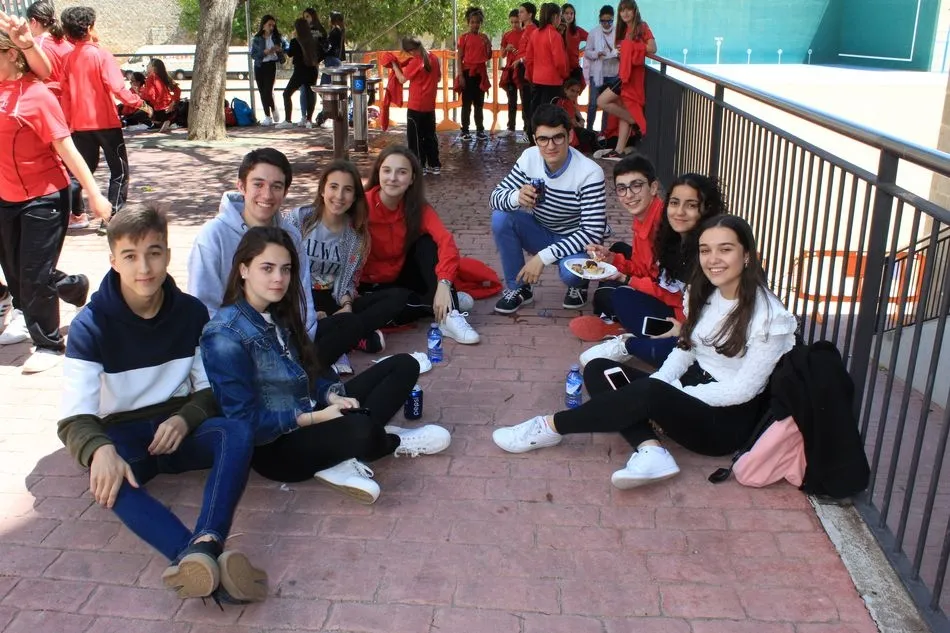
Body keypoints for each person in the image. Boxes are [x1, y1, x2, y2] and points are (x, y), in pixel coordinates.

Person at [493, 215, 798, 490]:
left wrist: (671, 393)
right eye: (706, 250)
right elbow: (685, 347)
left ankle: (551, 426)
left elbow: (743, 390)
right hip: (688, 390)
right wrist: (664, 382)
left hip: (722, 422)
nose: (713, 259)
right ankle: (651, 450)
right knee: (599, 369)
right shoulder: (704, 292)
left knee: (649, 392)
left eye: (725, 249)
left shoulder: (770, 316)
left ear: (747, 255)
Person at [57, 205, 266, 603]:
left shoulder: (190, 312)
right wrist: (99, 449)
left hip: (177, 430)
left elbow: (210, 388)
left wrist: (186, 419)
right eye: (130, 256)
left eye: (154, 253)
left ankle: (207, 541)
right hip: (123, 434)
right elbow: (74, 417)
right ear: (113, 261)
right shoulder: (90, 326)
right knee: (109, 480)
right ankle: (194, 558)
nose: (144, 267)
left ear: (168, 255)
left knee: (237, 431)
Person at [201, 227, 452, 505]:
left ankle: (341, 455)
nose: (278, 278)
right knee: (362, 429)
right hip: (276, 447)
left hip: (311, 409)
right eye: (267, 268)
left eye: (286, 269)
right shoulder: (223, 336)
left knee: (404, 365)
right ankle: (388, 442)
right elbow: (244, 424)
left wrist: (330, 396)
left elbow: (306, 371)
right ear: (244, 269)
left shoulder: (277, 311)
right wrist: (315, 418)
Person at [0, 26, 112, 372]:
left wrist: (94, 194)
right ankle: (75, 288)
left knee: (33, 274)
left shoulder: (37, 95)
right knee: (17, 273)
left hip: (44, 197)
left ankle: (48, 343)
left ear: (12, 55)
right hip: (5, 196)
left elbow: (67, 149)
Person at [578, 172, 726, 368]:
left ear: (706, 209)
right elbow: (665, 289)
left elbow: (716, 318)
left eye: (691, 205)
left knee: (676, 353)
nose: (679, 212)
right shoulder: (672, 239)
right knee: (621, 297)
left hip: (702, 334)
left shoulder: (712, 252)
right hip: (676, 316)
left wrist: (683, 330)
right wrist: (621, 271)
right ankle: (642, 338)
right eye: (674, 203)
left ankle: (629, 343)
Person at [489, 103, 607, 314]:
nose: (550, 146)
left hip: (577, 239)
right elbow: (494, 198)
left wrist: (542, 258)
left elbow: (592, 232)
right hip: (542, 231)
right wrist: (516, 196)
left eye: (558, 137)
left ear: (570, 136)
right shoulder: (529, 157)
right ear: (535, 139)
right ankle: (519, 288)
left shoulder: (590, 172)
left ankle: (579, 285)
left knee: (572, 274)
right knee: (501, 217)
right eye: (543, 139)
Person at [187, 148, 317, 339]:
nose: (267, 195)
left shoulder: (291, 236)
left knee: (345, 324)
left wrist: (302, 346)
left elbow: (302, 298)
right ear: (241, 186)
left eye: (276, 186)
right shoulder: (213, 235)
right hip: (230, 342)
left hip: (284, 339)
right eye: (258, 184)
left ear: (285, 192)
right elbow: (204, 306)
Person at [360, 145, 480, 344]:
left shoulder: (416, 207)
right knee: (393, 305)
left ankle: (448, 314)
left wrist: (444, 283)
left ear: (412, 179)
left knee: (427, 244)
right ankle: (443, 303)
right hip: (368, 285)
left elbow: (446, 241)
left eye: (402, 172)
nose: (393, 178)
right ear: (378, 173)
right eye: (387, 170)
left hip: (401, 277)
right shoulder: (361, 206)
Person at [288, 159, 407, 354]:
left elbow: (348, 282)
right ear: (322, 190)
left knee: (397, 297)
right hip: (298, 294)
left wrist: (347, 305)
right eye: (333, 187)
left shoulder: (356, 235)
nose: (339, 196)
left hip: (332, 298)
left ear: (354, 197)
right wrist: (305, 309)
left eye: (348, 190)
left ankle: (342, 328)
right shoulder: (300, 219)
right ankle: (349, 333)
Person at [60, 6, 152, 230]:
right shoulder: (102, 55)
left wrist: (69, 123)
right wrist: (141, 104)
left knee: (80, 171)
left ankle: (73, 212)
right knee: (119, 171)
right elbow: (118, 88)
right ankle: (112, 218)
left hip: (79, 125)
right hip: (106, 123)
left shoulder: (67, 58)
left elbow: (65, 95)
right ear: (90, 27)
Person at [24, 0, 88, 230]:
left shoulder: (36, 45)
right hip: (70, 107)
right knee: (70, 159)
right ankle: (78, 212)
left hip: (49, 108)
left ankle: (63, 211)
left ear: (33, 21)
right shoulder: (66, 43)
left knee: (54, 162)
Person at [594, 0, 655, 160]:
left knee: (601, 101)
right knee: (622, 110)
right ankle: (619, 150)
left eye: (628, 10)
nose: (625, 13)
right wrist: (623, 52)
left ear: (634, 11)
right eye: (622, 10)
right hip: (624, 74)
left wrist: (631, 47)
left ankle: (634, 121)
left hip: (631, 78)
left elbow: (652, 48)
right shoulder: (623, 29)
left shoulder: (642, 27)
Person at [389, 37, 441, 174]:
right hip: (430, 105)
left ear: (411, 51)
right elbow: (438, 78)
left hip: (416, 105)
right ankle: (435, 164)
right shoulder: (434, 58)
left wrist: (394, 65)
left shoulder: (416, 61)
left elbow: (402, 79)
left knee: (415, 138)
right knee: (430, 136)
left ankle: (419, 165)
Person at [524, 3, 569, 138]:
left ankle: (533, 136)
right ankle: (547, 139)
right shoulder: (554, 35)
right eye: (560, 16)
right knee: (550, 114)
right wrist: (564, 75)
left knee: (536, 110)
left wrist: (531, 77)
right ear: (555, 17)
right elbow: (560, 62)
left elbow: (529, 59)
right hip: (553, 81)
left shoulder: (535, 33)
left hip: (537, 79)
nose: (560, 19)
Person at [456, 7, 491, 141]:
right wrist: (461, 76)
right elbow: (459, 58)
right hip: (467, 74)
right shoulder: (463, 38)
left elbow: (488, 56)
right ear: (468, 23)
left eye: (477, 22)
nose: (475, 25)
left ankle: (480, 130)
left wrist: (488, 44)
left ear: (481, 23)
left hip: (480, 74)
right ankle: (465, 130)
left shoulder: (484, 37)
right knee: (466, 104)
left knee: (479, 104)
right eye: (472, 22)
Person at [583, 4, 618, 133]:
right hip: (597, 74)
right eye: (603, 21)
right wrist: (596, 54)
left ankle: (604, 133)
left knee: (607, 106)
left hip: (613, 73)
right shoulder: (594, 32)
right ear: (599, 19)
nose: (606, 24)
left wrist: (618, 54)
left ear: (613, 19)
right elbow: (587, 52)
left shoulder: (618, 32)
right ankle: (589, 131)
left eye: (609, 21)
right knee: (593, 104)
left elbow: (623, 50)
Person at [278, 18, 318, 128]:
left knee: (287, 94)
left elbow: (290, 53)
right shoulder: (313, 40)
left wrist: (284, 47)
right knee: (310, 95)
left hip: (300, 71)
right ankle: (309, 120)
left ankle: (288, 120)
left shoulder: (295, 41)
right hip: (312, 70)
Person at [250, 15, 284, 126]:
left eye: (273, 25)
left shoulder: (277, 37)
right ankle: (267, 116)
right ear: (263, 25)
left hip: (270, 65)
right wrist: (264, 52)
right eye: (269, 25)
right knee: (262, 91)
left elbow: (286, 47)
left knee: (268, 91)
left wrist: (279, 49)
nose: (271, 27)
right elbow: (253, 55)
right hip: (259, 66)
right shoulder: (257, 38)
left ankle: (273, 107)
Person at [314, 11, 345, 125]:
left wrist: (320, 41)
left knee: (325, 88)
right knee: (327, 89)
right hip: (334, 61)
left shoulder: (334, 32)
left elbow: (328, 47)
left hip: (331, 61)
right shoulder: (339, 31)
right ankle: (327, 112)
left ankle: (328, 113)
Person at [515, 2, 539, 142]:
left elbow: (534, 52)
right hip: (522, 68)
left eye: (522, 12)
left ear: (530, 14)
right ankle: (528, 132)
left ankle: (530, 134)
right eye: (519, 12)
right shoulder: (526, 29)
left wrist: (521, 60)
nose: (519, 14)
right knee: (525, 101)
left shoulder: (533, 30)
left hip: (528, 69)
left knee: (528, 102)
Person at [555, 76, 597, 152]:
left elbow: (576, 112)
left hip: (563, 132)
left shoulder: (563, 100)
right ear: (565, 90)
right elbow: (573, 122)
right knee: (589, 134)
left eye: (577, 92)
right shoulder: (567, 102)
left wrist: (581, 120)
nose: (575, 94)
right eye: (572, 91)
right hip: (568, 134)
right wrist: (581, 123)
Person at [499, 9, 524, 137]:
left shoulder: (526, 33)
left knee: (525, 101)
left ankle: (527, 130)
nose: (514, 25)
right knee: (511, 100)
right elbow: (502, 55)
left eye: (517, 22)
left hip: (523, 70)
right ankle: (511, 128)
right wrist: (506, 49)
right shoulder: (507, 35)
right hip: (510, 71)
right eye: (512, 22)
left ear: (521, 21)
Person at [140, 59, 181, 133]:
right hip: (170, 109)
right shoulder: (165, 77)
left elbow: (150, 95)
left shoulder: (151, 78)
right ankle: (166, 121)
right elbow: (178, 90)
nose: (146, 66)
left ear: (153, 68)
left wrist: (140, 94)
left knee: (140, 105)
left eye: (148, 64)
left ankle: (156, 123)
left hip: (158, 110)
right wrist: (173, 102)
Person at [300, 8, 326, 122]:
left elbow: (322, 46)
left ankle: (309, 117)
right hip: (302, 63)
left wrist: (317, 60)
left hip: (313, 63)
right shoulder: (302, 30)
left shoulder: (318, 30)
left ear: (313, 17)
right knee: (303, 89)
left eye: (307, 16)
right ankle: (303, 115)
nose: (305, 19)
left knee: (311, 89)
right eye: (304, 17)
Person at [559, 3, 587, 83]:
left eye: (572, 13)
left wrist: (582, 51)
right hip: (561, 69)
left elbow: (592, 39)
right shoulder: (557, 31)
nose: (569, 16)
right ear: (561, 14)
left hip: (574, 68)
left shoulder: (577, 30)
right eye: (566, 13)